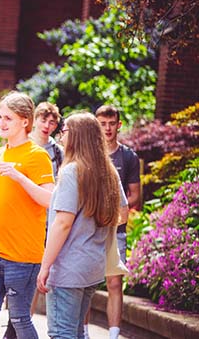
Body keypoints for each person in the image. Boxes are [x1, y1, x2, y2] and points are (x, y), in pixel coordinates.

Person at [0, 91, 55, 339]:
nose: (2, 123)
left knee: (19, 320)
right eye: (0, 117)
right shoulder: (0, 153)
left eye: (8, 118)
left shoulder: (37, 156)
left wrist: (19, 177)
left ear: (25, 121)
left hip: (23, 256)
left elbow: (49, 199)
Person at [36, 112, 128, 339]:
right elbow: (123, 214)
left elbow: (63, 224)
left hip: (68, 268)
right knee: (76, 332)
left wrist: (45, 265)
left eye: (64, 131)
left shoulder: (71, 172)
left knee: (62, 333)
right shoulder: (109, 173)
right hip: (92, 267)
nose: (61, 135)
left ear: (76, 136)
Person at [82, 105, 141, 339]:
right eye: (102, 123)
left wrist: (115, 210)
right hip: (88, 229)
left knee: (114, 283)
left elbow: (135, 194)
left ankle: (113, 335)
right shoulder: (88, 154)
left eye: (111, 123)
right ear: (96, 124)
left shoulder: (128, 157)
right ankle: (83, 333)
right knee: (86, 284)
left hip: (117, 230)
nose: (107, 128)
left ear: (119, 124)